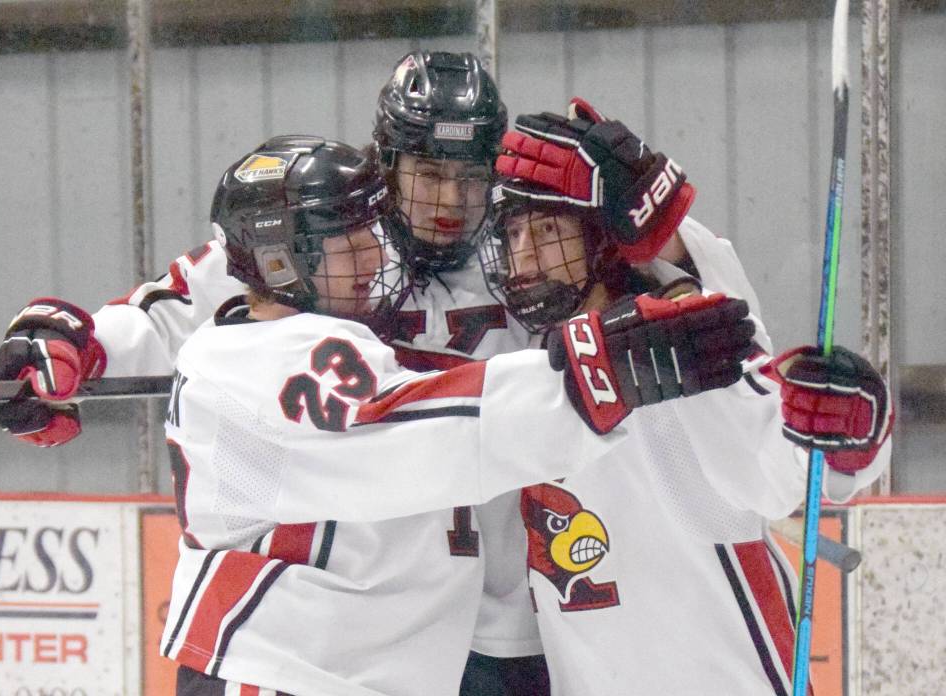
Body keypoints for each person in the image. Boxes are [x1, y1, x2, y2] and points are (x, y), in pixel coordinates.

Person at [159, 135, 755, 695]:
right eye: (349, 240)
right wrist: (604, 373)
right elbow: (421, 435)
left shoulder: (339, 348)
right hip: (275, 672)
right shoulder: (250, 358)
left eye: (374, 231)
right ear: (281, 260)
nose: (376, 254)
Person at [476, 99, 892, 694]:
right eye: (514, 233)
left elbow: (780, 471)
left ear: (600, 240)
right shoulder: (525, 359)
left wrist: (850, 443)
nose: (525, 257)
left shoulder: (677, 344)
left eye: (546, 230)